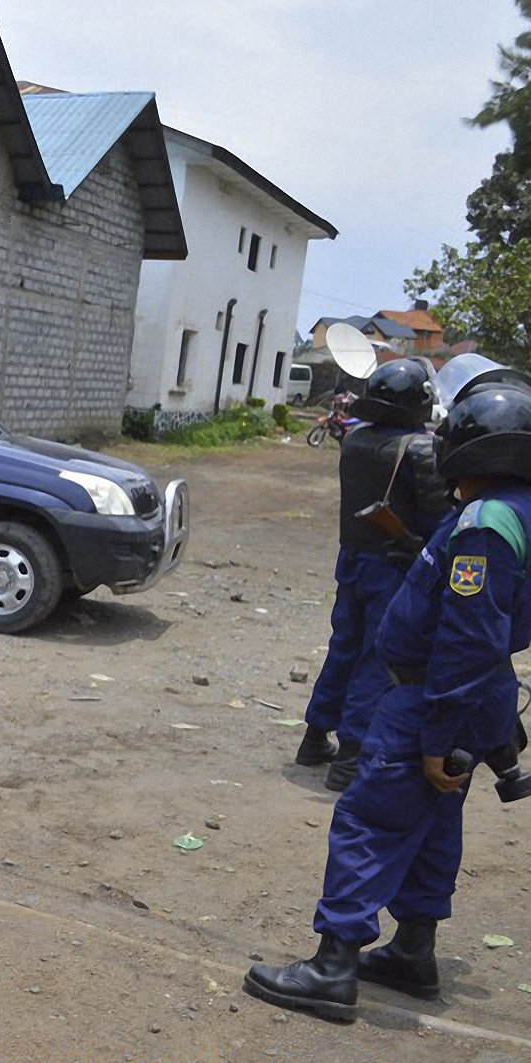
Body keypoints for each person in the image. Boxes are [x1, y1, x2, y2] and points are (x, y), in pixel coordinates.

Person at [244, 375, 531, 1022]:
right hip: (463, 696)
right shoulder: (516, 511)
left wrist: (436, 737)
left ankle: (332, 965)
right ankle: (413, 951)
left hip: (428, 698)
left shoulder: (486, 523)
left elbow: (468, 636)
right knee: (432, 827)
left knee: (368, 822)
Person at [297, 359, 451, 790]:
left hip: (353, 559)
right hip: (395, 566)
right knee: (376, 657)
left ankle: (314, 736)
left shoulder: (356, 439)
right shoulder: (421, 449)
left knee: (344, 646)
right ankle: (350, 755)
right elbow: (439, 518)